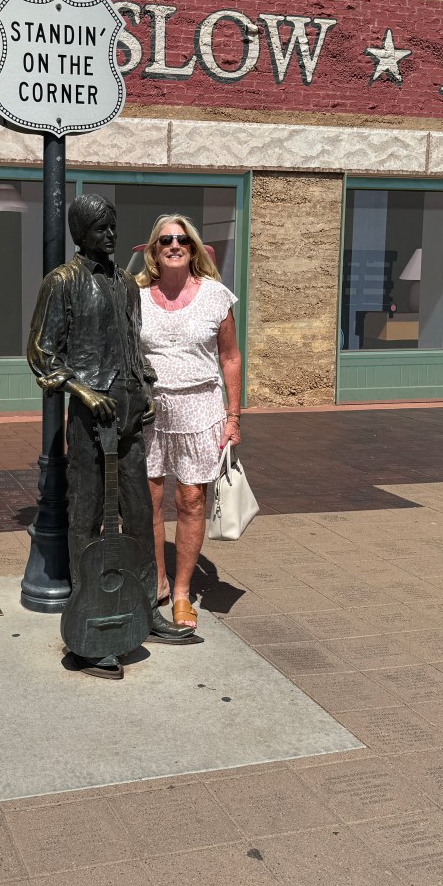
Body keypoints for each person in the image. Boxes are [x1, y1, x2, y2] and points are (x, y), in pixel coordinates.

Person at [28, 193, 197, 680]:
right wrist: (82, 391)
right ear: (81, 234)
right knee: (86, 517)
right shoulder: (62, 283)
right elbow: (42, 354)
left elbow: (132, 344)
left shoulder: (125, 285)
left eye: (113, 228)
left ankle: (146, 610)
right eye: (100, 229)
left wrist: (144, 387)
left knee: (141, 513)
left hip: (128, 415)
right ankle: (89, 629)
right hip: (88, 419)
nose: (110, 237)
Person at [136, 216, 242, 631]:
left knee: (191, 500)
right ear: (154, 249)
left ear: (194, 248)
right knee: (146, 500)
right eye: (166, 239)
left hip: (200, 409)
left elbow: (230, 358)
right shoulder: (138, 296)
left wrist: (233, 417)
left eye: (182, 239)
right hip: (150, 410)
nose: (175, 244)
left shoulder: (216, 296)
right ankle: (157, 582)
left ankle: (181, 592)